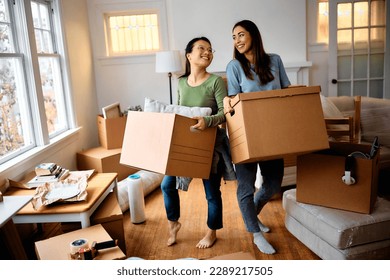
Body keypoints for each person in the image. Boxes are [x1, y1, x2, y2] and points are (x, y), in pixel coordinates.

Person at [161, 37, 235, 249]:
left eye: (210, 50)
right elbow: (180, 112)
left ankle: (211, 232)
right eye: (201, 48)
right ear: (189, 55)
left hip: (210, 146)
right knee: (167, 185)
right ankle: (173, 223)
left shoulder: (216, 82)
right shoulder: (181, 82)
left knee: (211, 193)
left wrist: (207, 121)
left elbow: (225, 113)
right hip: (184, 145)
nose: (207, 52)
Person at [224, 20, 291, 254]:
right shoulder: (234, 66)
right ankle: (255, 233)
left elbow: (286, 93)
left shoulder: (275, 60)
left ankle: (251, 213)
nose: (237, 40)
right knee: (245, 186)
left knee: (273, 183)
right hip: (246, 133)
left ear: (254, 35)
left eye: (241, 34)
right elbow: (234, 101)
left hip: (272, 132)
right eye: (234, 37)